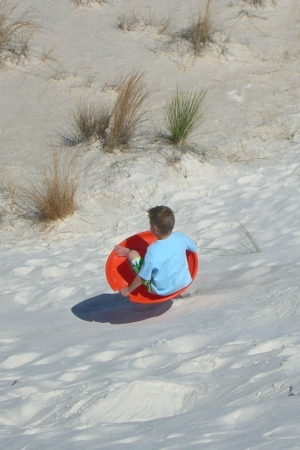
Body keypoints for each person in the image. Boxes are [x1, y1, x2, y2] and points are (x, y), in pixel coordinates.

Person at [114, 205, 197, 297]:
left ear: (155, 228)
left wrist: (128, 290)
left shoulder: (152, 250)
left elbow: (142, 277)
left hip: (162, 291)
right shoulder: (180, 237)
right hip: (183, 282)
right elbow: (194, 248)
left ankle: (128, 252)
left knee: (132, 254)